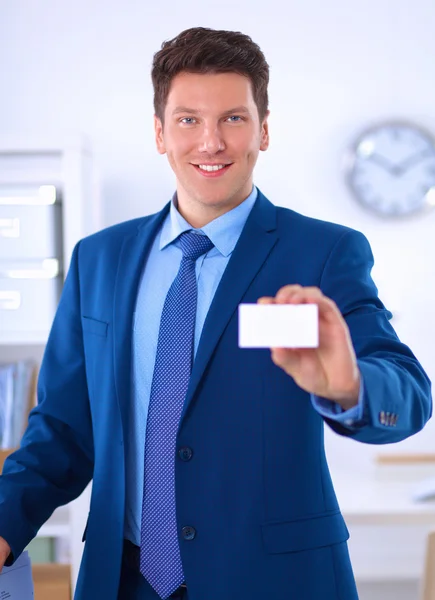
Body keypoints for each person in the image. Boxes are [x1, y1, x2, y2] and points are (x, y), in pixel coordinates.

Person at [0, 26, 431, 600]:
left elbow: (408, 393)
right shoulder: (98, 260)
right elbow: (62, 430)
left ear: (264, 129)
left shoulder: (324, 252)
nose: (211, 142)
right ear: (159, 132)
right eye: (187, 120)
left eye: (233, 118)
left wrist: (351, 385)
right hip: (120, 581)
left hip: (276, 582)